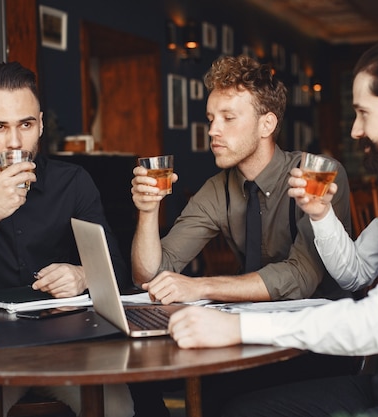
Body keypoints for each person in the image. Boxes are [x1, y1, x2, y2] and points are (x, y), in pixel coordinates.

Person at [167, 35, 378, 417]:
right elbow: (354, 275)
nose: (354, 131)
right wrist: (320, 215)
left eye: (364, 114)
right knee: (243, 409)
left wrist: (235, 329)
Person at [129, 55, 354, 417]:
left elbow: (300, 277)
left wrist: (200, 286)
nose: (213, 130)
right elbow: (149, 274)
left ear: (267, 124)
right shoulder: (218, 188)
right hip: (249, 335)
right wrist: (148, 210)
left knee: (222, 396)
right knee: (157, 382)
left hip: (315, 342)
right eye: (210, 119)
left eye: (228, 118)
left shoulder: (316, 175)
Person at [0, 62, 133, 417]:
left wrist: (83, 275)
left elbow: (118, 276)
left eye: (26, 125)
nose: (15, 142)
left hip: (68, 346)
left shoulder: (73, 182)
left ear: (41, 124)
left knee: (119, 405)